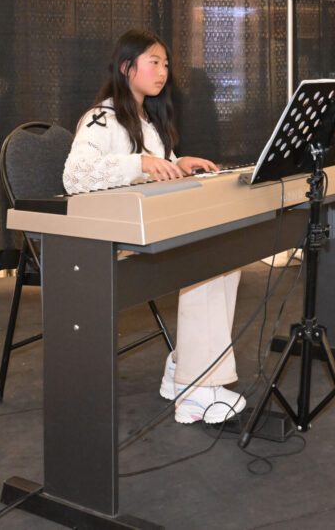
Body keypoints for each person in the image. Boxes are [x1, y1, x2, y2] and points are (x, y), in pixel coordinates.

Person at [62, 28, 245, 425]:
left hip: (151, 232)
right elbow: (74, 176)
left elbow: (158, 172)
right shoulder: (100, 119)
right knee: (209, 261)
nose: (163, 71)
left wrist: (178, 164)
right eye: (154, 62)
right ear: (126, 67)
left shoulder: (150, 121)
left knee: (226, 257)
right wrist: (140, 163)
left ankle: (188, 367)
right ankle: (196, 390)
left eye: (166, 64)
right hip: (113, 241)